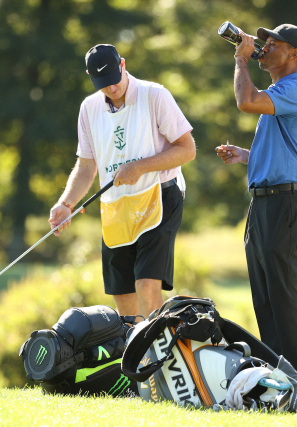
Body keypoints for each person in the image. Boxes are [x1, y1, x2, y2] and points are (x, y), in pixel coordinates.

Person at [49, 44, 196, 318]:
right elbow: (86, 165)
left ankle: (156, 357)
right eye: (103, 84)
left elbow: (187, 150)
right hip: (117, 206)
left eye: (114, 80)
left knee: (146, 283)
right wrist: (66, 203)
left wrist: (139, 167)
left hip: (159, 198)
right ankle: (137, 357)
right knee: (122, 294)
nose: (112, 89)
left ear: (123, 65)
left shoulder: (154, 95)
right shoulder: (89, 108)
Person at [215, 24, 297, 382]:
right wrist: (246, 155)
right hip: (262, 206)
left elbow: (245, 101)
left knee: (283, 297)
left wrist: (241, 61)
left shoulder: (296, 89)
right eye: (264, 41)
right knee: (264, 297)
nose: (265, 46)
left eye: (275, 43)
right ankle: (276, 377)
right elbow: (279, 151)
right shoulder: (279, 91)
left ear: (293, 55)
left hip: (285, 205)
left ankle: (296, 381)